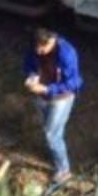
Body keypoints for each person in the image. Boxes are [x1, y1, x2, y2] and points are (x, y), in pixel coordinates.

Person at [23, 27, 83, 185]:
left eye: (42, 47)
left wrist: (47, 89)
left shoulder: (66, 53)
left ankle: (64, 170)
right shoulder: (35, 48)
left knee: (52, 134)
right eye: (36, 47)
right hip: (41, 96)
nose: (39, 51)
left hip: (60, 99)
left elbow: (74, 83)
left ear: (52, 40)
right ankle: (54, 150)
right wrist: (32, 76)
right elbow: (28, 64)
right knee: (49, 129)